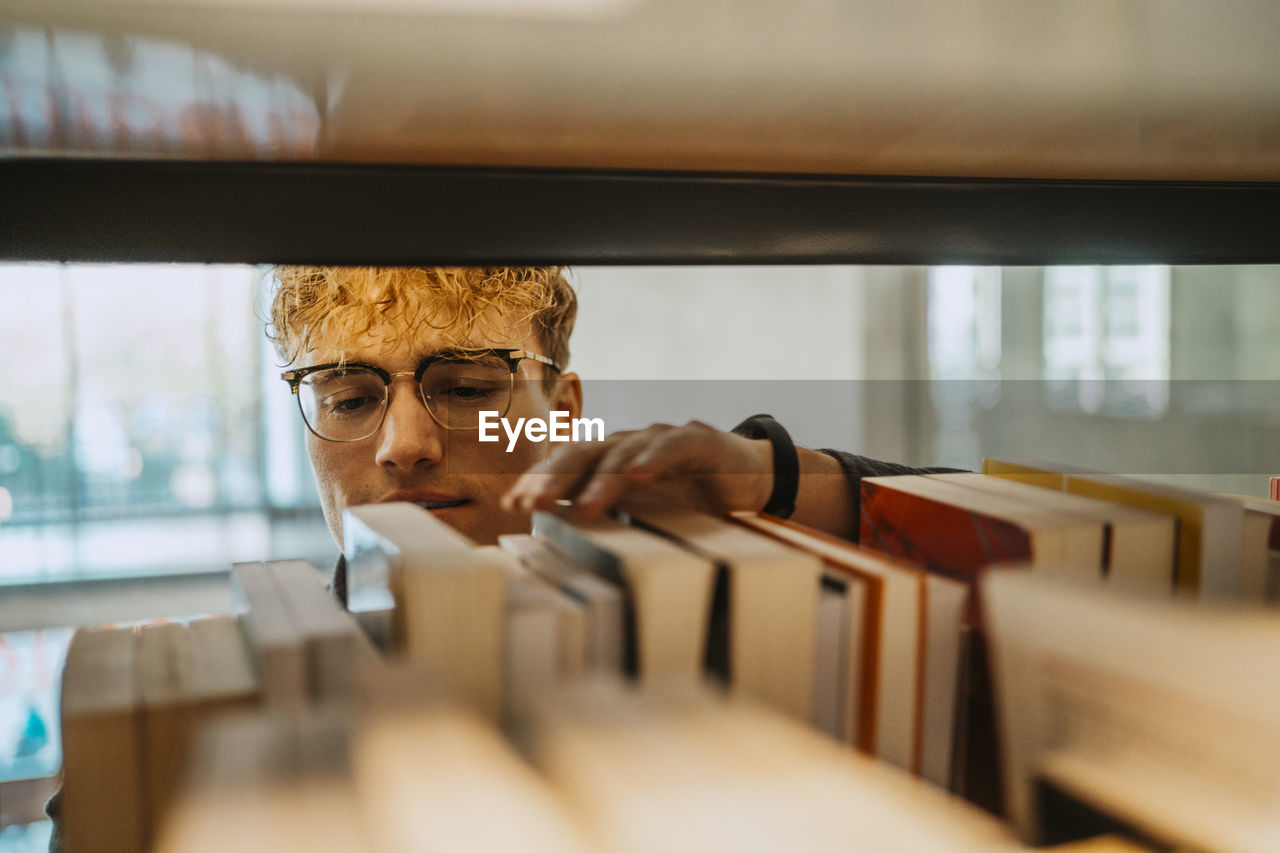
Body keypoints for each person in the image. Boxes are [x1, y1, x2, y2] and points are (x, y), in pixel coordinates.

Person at [266, 265, 949, 602]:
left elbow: (1033, 544)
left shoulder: (675, 625)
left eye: (468, 389)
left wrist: (774, 480)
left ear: (563, 412)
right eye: (350, 399)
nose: (405, 445)